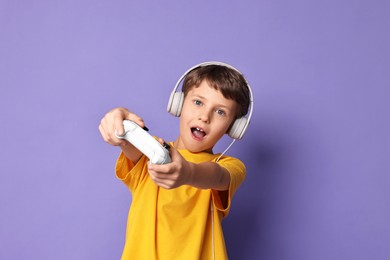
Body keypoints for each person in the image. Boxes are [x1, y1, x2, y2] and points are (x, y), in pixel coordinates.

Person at [99, 62, 252, 259]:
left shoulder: (230, 166)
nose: (205, 117)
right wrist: (119, 120)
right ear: (178, 104)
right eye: (198, 102)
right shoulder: (151, 151)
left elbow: (217, 176)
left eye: (220, 112)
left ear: (233, 128)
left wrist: (187, 172)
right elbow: (129, 140)